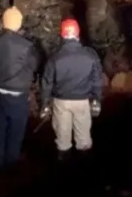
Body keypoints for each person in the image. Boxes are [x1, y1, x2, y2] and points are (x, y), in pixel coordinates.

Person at [39, 18, 103, 161]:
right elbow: (97, 81)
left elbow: (47, 83)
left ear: (62, 36)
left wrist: (45, 104)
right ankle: (84, 169)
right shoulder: (90, 56)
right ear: (78, 34)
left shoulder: (54, 58)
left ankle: (64, 169)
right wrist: (97, 100)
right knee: (84, 139)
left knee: (62, 138)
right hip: (82, 102)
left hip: (61, 102)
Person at [0, 6, 41, 171]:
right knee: (16, 130)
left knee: (2, 126)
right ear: (19, 24)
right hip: (18, 92)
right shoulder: (27, 46)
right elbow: (34, 64)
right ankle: (11, 164)